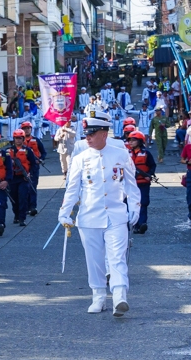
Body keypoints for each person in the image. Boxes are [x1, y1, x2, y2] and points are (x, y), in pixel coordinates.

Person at [60, 113, 140, 315]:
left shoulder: (120, 154)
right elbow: (72, 188)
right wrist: (65, 212)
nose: (88, 137)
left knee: (117, 257)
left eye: (92, 134)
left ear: (104, 134)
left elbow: (131, 183)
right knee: (94, 260)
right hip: (89, 217)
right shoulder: (80, 159)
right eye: (86, 133)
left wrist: (135, 206)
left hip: (116, 215)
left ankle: (120, 297)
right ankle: (98, 297)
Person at [125, 130, 156, 233]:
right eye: (129, 140)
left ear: (140, 141)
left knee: (143, 203)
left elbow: (152, 166)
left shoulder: (146, 153)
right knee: (129, 203)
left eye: (133, 140)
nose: (130, 142)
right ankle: (134, 224)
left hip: (143, 183)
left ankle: (142, 223)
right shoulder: (126, 154)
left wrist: (150, 175)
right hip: (129, 184)